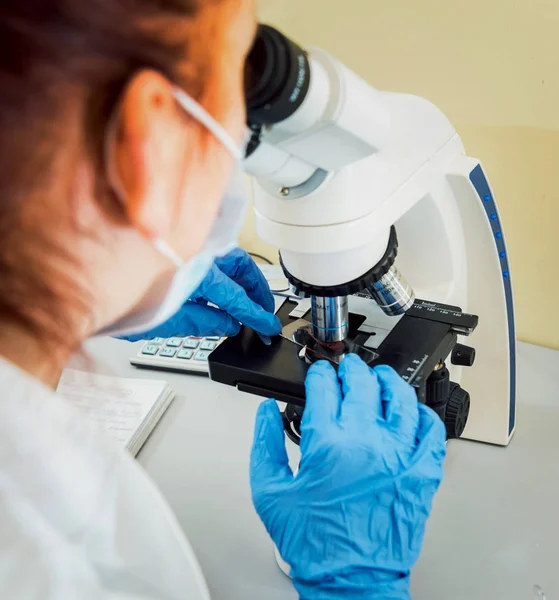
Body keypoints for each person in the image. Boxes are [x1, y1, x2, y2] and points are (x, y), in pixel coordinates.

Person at [0, 0, 447, 598]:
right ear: (150, 142)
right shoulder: (50, 564)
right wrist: (354, 584)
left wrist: (82, 300)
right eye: (240, 69)